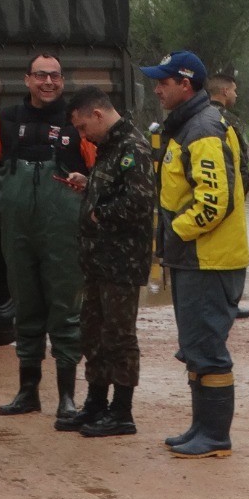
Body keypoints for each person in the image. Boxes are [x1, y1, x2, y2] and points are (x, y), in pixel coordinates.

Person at [144, 50, 249, 458]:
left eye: (162, 82)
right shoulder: (187, 126)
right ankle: (200, 427)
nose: (156, 89)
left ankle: (215, 436)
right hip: (195, 259)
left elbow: (214, 201)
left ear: (184, 85)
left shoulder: (203, 129)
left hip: (210, 259)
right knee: (194, 347)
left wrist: (175, 232)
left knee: (207, 351)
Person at [0, 52, 95, 423]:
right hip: (18, 232)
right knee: (25, 308)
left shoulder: (75, 121)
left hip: (62, 233)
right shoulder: (7, 119)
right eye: (41, 76)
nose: (49, 82)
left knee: (65, 312)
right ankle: (27, 392)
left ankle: (66, 397)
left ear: (63, 82)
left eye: (56, 77)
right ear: (27, 80)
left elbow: (96, 170)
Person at [60, 85, 157, 437]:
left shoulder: (133, 147)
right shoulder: (109, 147)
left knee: (119, 336)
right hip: (98, 260)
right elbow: (116, 188)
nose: (83, 136)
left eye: (84, 128)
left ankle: (122, 411)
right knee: (94, 334)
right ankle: (96, 403)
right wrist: (89, 186)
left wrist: (99, 215)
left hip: (121, 261)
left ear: (98, 114)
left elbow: (139, 203)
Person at [208, 68, 249, 319]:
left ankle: (211, 302)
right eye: (234, 90)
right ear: (224, 91)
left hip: (207, 196)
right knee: (231, 253)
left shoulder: (198, 117)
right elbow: (241, 162)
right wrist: (243, 191)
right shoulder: (230, 121)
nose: (236, 94)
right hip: (230, 195)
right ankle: (230, 303)